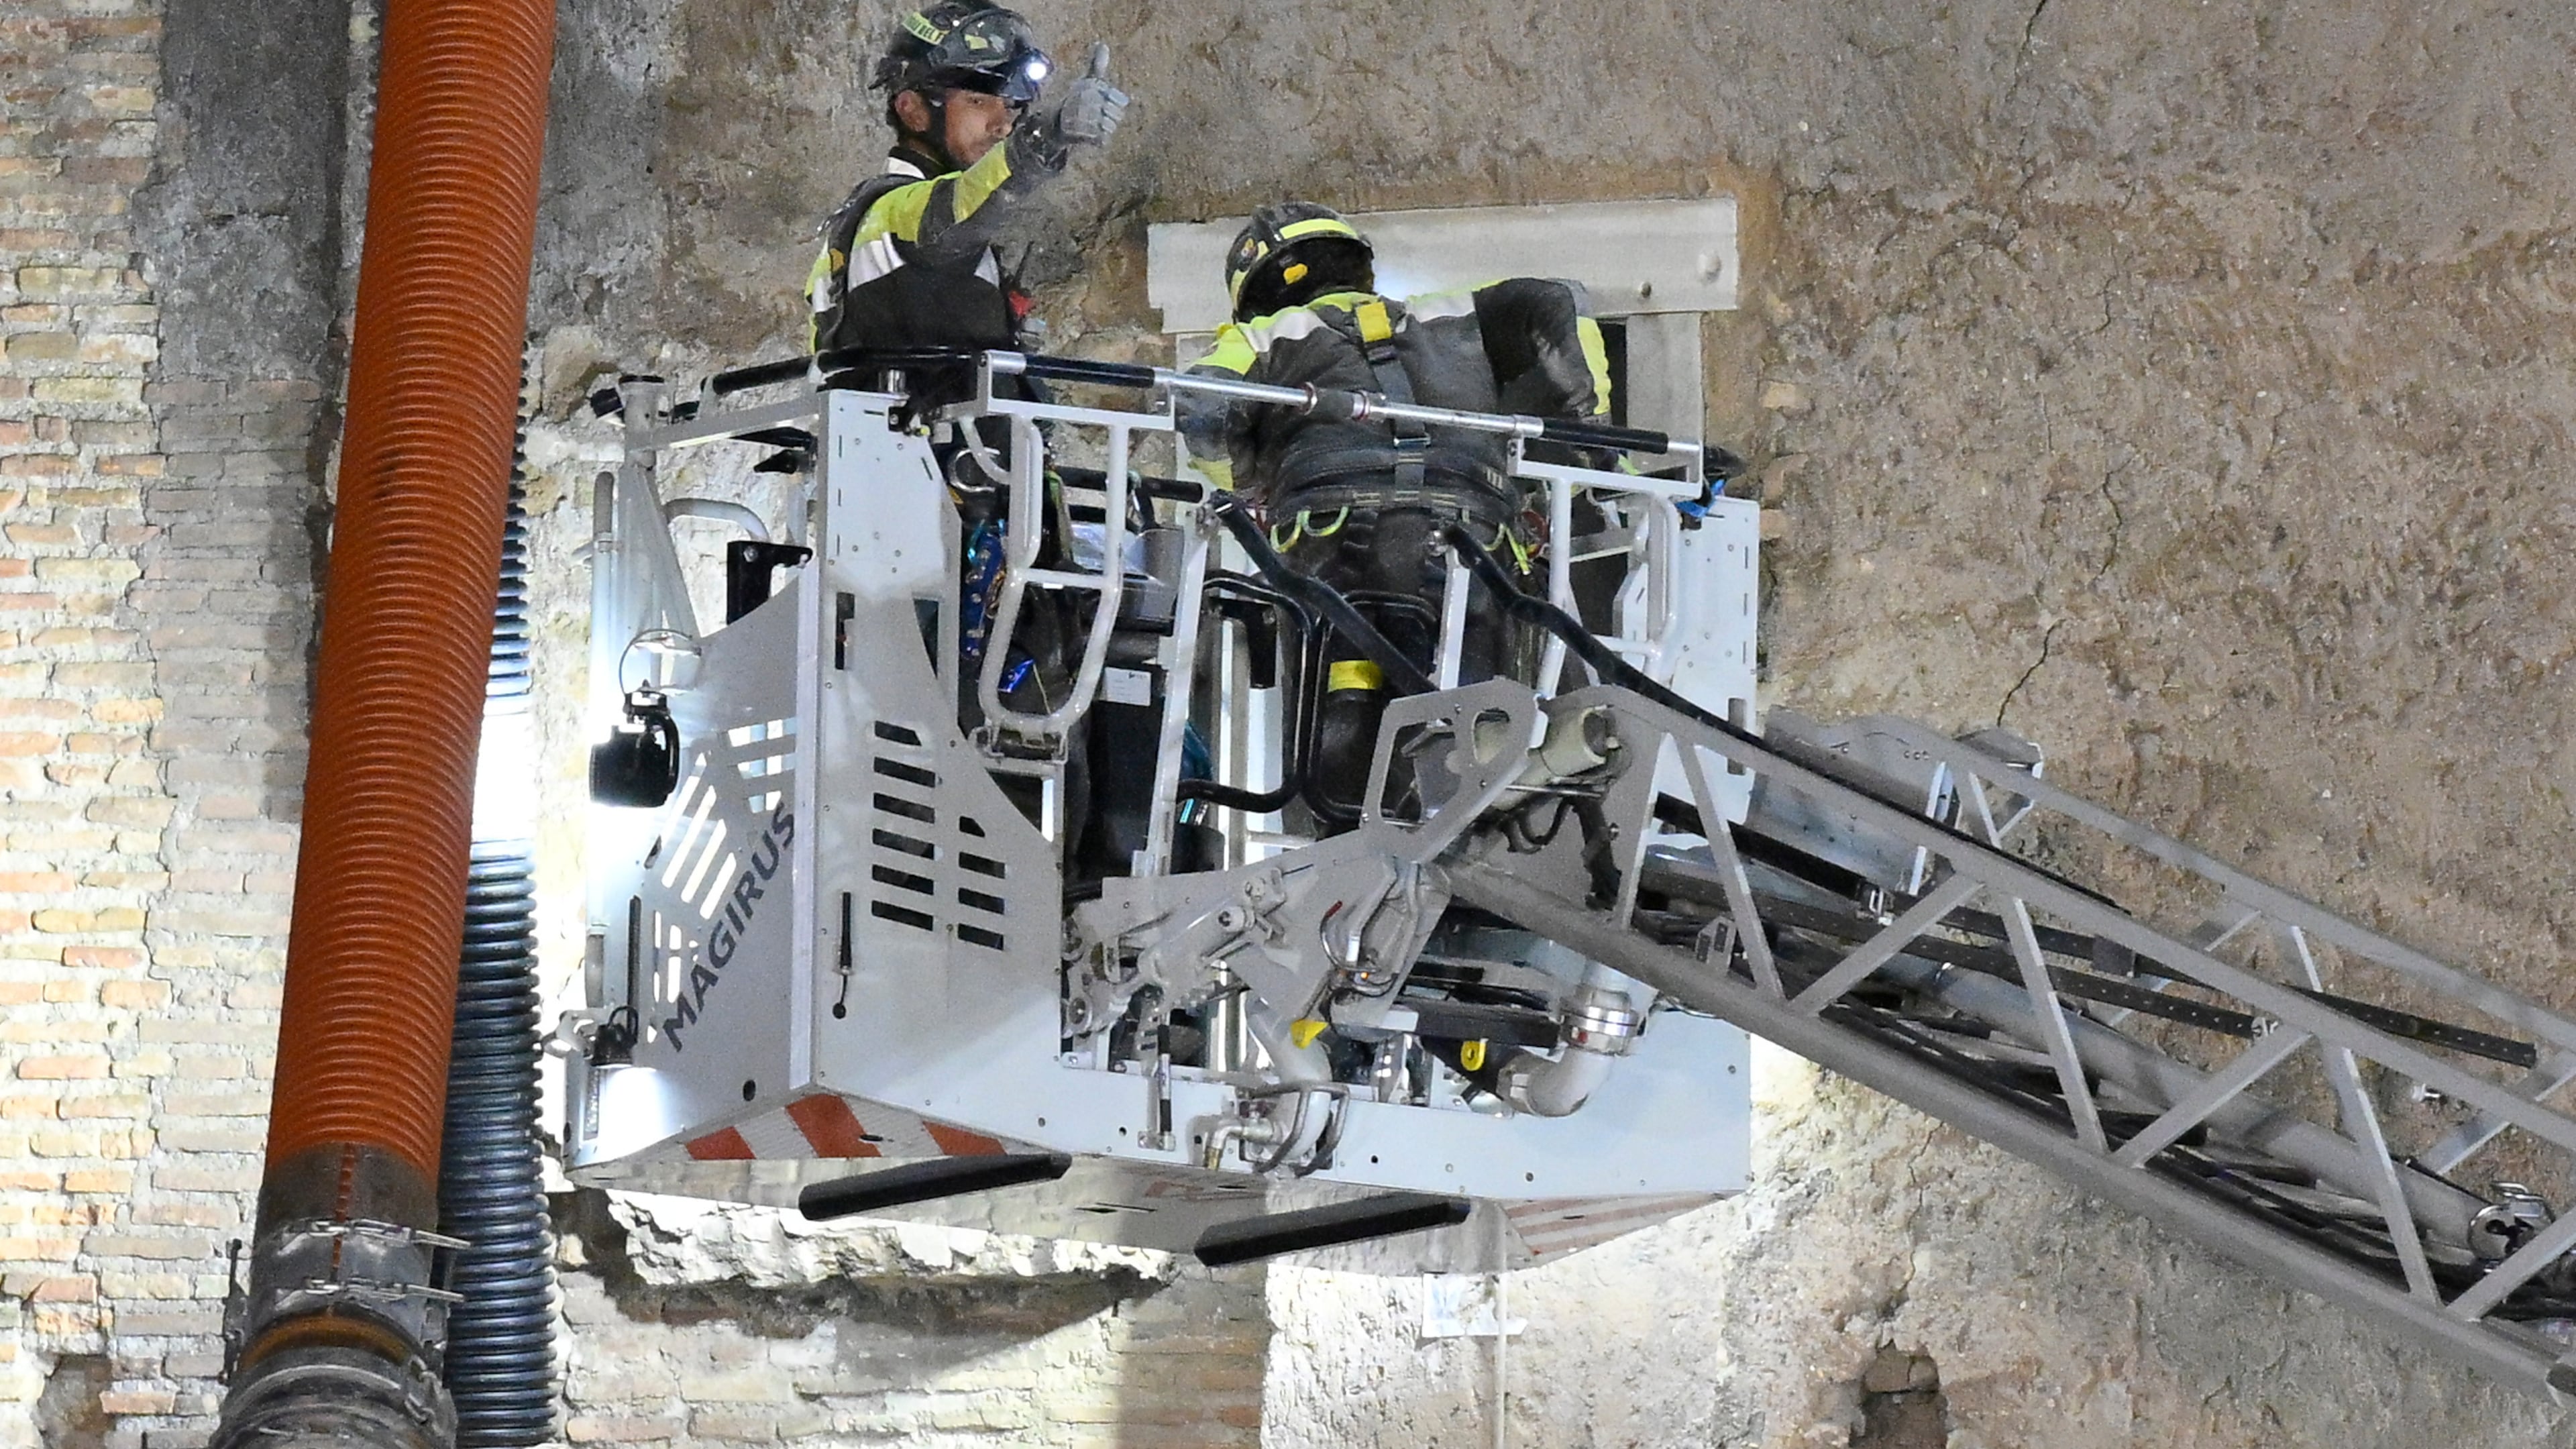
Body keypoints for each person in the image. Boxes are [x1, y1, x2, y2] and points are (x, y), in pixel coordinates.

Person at [1177, 201, 1615, 823]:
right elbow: (1556, 302)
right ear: (1357, 265)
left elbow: (1202, 409)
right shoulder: (1453, 314)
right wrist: (1586, 439)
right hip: (1470, 543)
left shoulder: (1260, 338)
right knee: (1474, 709)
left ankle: (1356, 833)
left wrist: (1254, 484)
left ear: (1257, 292)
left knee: (1347, 721)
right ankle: (1477, 809)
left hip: (1337, 548)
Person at [806, 2, 1129, 383]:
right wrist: (1047, 137)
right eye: (978, 102)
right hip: (922, 440)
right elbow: (956, 208)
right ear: (913, 110)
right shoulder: (891, 211)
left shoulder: (879, 224)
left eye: (1010, 108)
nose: (1003, 127)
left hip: (933, 438)